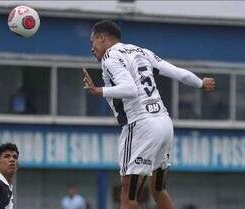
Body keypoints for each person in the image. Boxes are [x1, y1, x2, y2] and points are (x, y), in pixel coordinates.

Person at [83, 20, 215, 209]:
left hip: (140, 125)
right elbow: (179, 73)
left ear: (102, 38)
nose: (92, 49)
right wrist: (201, 83)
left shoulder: (110, 57)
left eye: (92, 43)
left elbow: (130, 89)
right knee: (158, 189)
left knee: (128, 195)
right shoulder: (141, 51)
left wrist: (99, 90)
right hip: (164, 123)